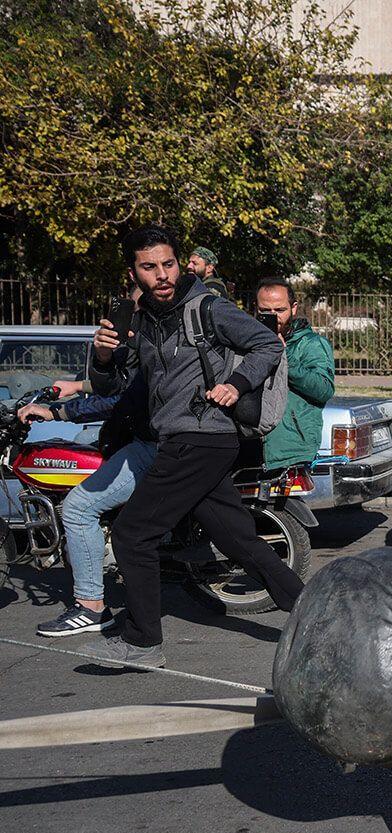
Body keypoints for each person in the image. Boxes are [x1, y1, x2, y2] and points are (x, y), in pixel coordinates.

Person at [78, 224, 303, 667]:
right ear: (134, 273)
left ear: (179, 264)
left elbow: (266, 346)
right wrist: (102, 357)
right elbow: (115, 383)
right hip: (184, 440)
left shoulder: (209, 308)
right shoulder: (139, 321)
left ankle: (143, 642)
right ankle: (319, 611)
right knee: (239, 542)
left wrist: (236, 385)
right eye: (150, 267)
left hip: (202, 436)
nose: (162, 274)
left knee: (132, 533)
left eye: (168, 263)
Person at [18, 369, 155, 637]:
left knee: (78, 508)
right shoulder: (152, 334)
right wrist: (78, 385)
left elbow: (124, 396)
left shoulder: (149, 332)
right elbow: (126, 381)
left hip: (151, 443)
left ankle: (91, 607)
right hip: (143, 435)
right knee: (84, 444)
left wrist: (56, 412)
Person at [252, 278, 334, 472]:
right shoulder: (248, 341)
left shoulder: (312, 344)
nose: (274, 316)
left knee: (289, 502)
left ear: (293, 308)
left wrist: (284, 355)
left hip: (290, 445)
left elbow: (323, 389)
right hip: (251, 441)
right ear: (256, 309)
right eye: (265, 311)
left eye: (280, 310)